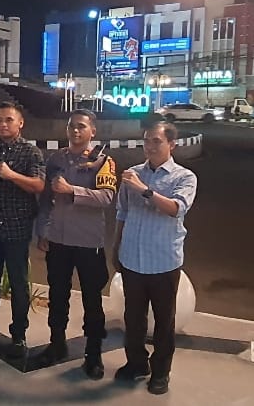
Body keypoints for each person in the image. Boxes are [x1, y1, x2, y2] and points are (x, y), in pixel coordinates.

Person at [113, 121, 197, 395]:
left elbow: (175, 209)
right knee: (133, 318)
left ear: (172, 144)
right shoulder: (133, 174)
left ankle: (161, 372)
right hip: (132, 258)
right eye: (146, 141)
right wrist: (116, 246)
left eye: (156, 141)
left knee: (164, 321)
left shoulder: (184, 177)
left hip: (163, 261)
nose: (149, 146)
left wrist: (144, 190)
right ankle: (136, 363)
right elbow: (122, 212)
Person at [34, 109, 117, 379]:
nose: (76, 131)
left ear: (93, 131)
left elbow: (106, 198)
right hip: (58, 240)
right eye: (72, 126)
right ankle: (56, 344)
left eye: (81, 126)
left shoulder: (103, 161)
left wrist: (72, 191)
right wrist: (43, 230)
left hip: (88, 242)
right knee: (58, 296)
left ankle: (93, 354)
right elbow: (45, 199)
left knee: (93, 300)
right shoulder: (56, 159)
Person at [0, 101, 45, 356]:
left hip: (17, 229)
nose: (3, 124)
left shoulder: (30, 152)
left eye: (8, 120)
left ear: (20, 123)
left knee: (18, 283)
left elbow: (38, 185)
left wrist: (11, 175)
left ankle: (18, 335)